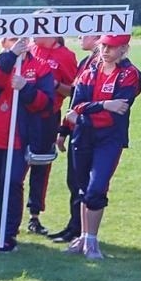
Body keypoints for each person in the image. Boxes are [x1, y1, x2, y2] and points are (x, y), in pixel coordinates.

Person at [62, 33, 141, 260]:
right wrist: (105, 104)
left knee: (97, 188)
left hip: (109, 139)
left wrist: (86, 111)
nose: (106, 51)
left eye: (111, 47)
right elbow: (75, 107)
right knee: (82, 189)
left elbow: (122, 106)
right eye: (103, 46)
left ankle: (92, 240)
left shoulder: (129, 75)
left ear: (123, 49)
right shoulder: (89, 72)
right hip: (83, 136)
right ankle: (84, 239)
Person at [0, 38, 55, 253]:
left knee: (12, 184)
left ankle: (9, 235)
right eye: (13, 40)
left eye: (21, 40)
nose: (18, 44)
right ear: (4, 42)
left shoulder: (40, 67)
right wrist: (10, 56)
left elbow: (46, 104)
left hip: (20, 139)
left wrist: (26, 89)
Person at [25, 31, 78, 235]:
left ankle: (34, 215)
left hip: (47, 116)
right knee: (16, 164)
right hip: (22, 114)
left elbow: (73, 91)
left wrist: (54, 85)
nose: (32, 33)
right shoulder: (29, 48)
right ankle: (7, 213)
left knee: (40, 164)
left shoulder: (66, 55)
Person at [51, 34, 101, 244]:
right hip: (77, 129)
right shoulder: (85, 62)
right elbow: (75, 97)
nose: (80, 37)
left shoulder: (102, 66)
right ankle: (75, 227)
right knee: (75, 181)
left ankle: (83, 231)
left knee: (86, 183)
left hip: (93, 131)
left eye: (85, 34)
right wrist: (64, 129)